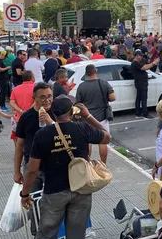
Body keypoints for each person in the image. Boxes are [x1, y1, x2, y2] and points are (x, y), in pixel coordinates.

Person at [20, 95, 111, 239]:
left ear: (54, 113)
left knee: (47, 233)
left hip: (54, 191)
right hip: (81, 189)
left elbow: (32, 169)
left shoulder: (42, 134)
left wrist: (25, 194)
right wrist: (88, 116)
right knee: (76, 235)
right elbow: (107, 137)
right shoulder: (83, 128)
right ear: (71, 112)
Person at [76, 64, 116, 164]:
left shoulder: (81, 86)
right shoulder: (103, 83)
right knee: (103, 142)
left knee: (88, 141)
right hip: (102, 117)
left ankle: (88, 163)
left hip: (86, 119)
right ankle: (103, 164)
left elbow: (78, 104)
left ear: (85, 74)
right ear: (96, 72)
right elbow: (112, 98)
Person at [131, 50, 159, 119]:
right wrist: (154, 63)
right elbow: (145, 67)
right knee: (144, 98)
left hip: (140, 83)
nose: (141, 57)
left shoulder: (136, 63)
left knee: (139, 98)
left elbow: (145, 65)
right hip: (141, 83)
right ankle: (145, 113)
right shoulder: (135, 63)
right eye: (140, 56)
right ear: (137, 55)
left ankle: (138, 112)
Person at [9, 71, 35, 143]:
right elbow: (37, 102)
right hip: (33, 117)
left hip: (20, 117)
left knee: (20, 138)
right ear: (32, 77)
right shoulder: (36, 88)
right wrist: (29, 110)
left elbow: (12, 102)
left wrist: (20, 110)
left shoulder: (16, 89)